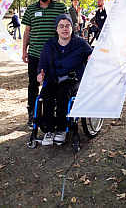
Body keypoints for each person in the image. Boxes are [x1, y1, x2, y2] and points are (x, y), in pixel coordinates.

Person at [37, 14, 93, 146]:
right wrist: (40, 73)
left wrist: (91, 57)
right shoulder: (49, 45)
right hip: (53, 78)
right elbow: (42, 64)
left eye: (67, 26)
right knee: (46, 95)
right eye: (61, 26)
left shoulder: (80, 43)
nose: (64, 29)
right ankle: (49, 130)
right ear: (56, 29)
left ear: (72, 27)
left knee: (63, 94)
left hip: (72, 79)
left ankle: (62, 129)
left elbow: (91, 54)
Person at [22, 0, 67, 127]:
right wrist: (24, 51)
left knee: (56, 84)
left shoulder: (61, 8)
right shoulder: (30, 9)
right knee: (33, 84)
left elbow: (67, 28)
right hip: (35, 54)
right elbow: (27, 31)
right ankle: (32, 114)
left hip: (55, 56)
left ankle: (54, 112)